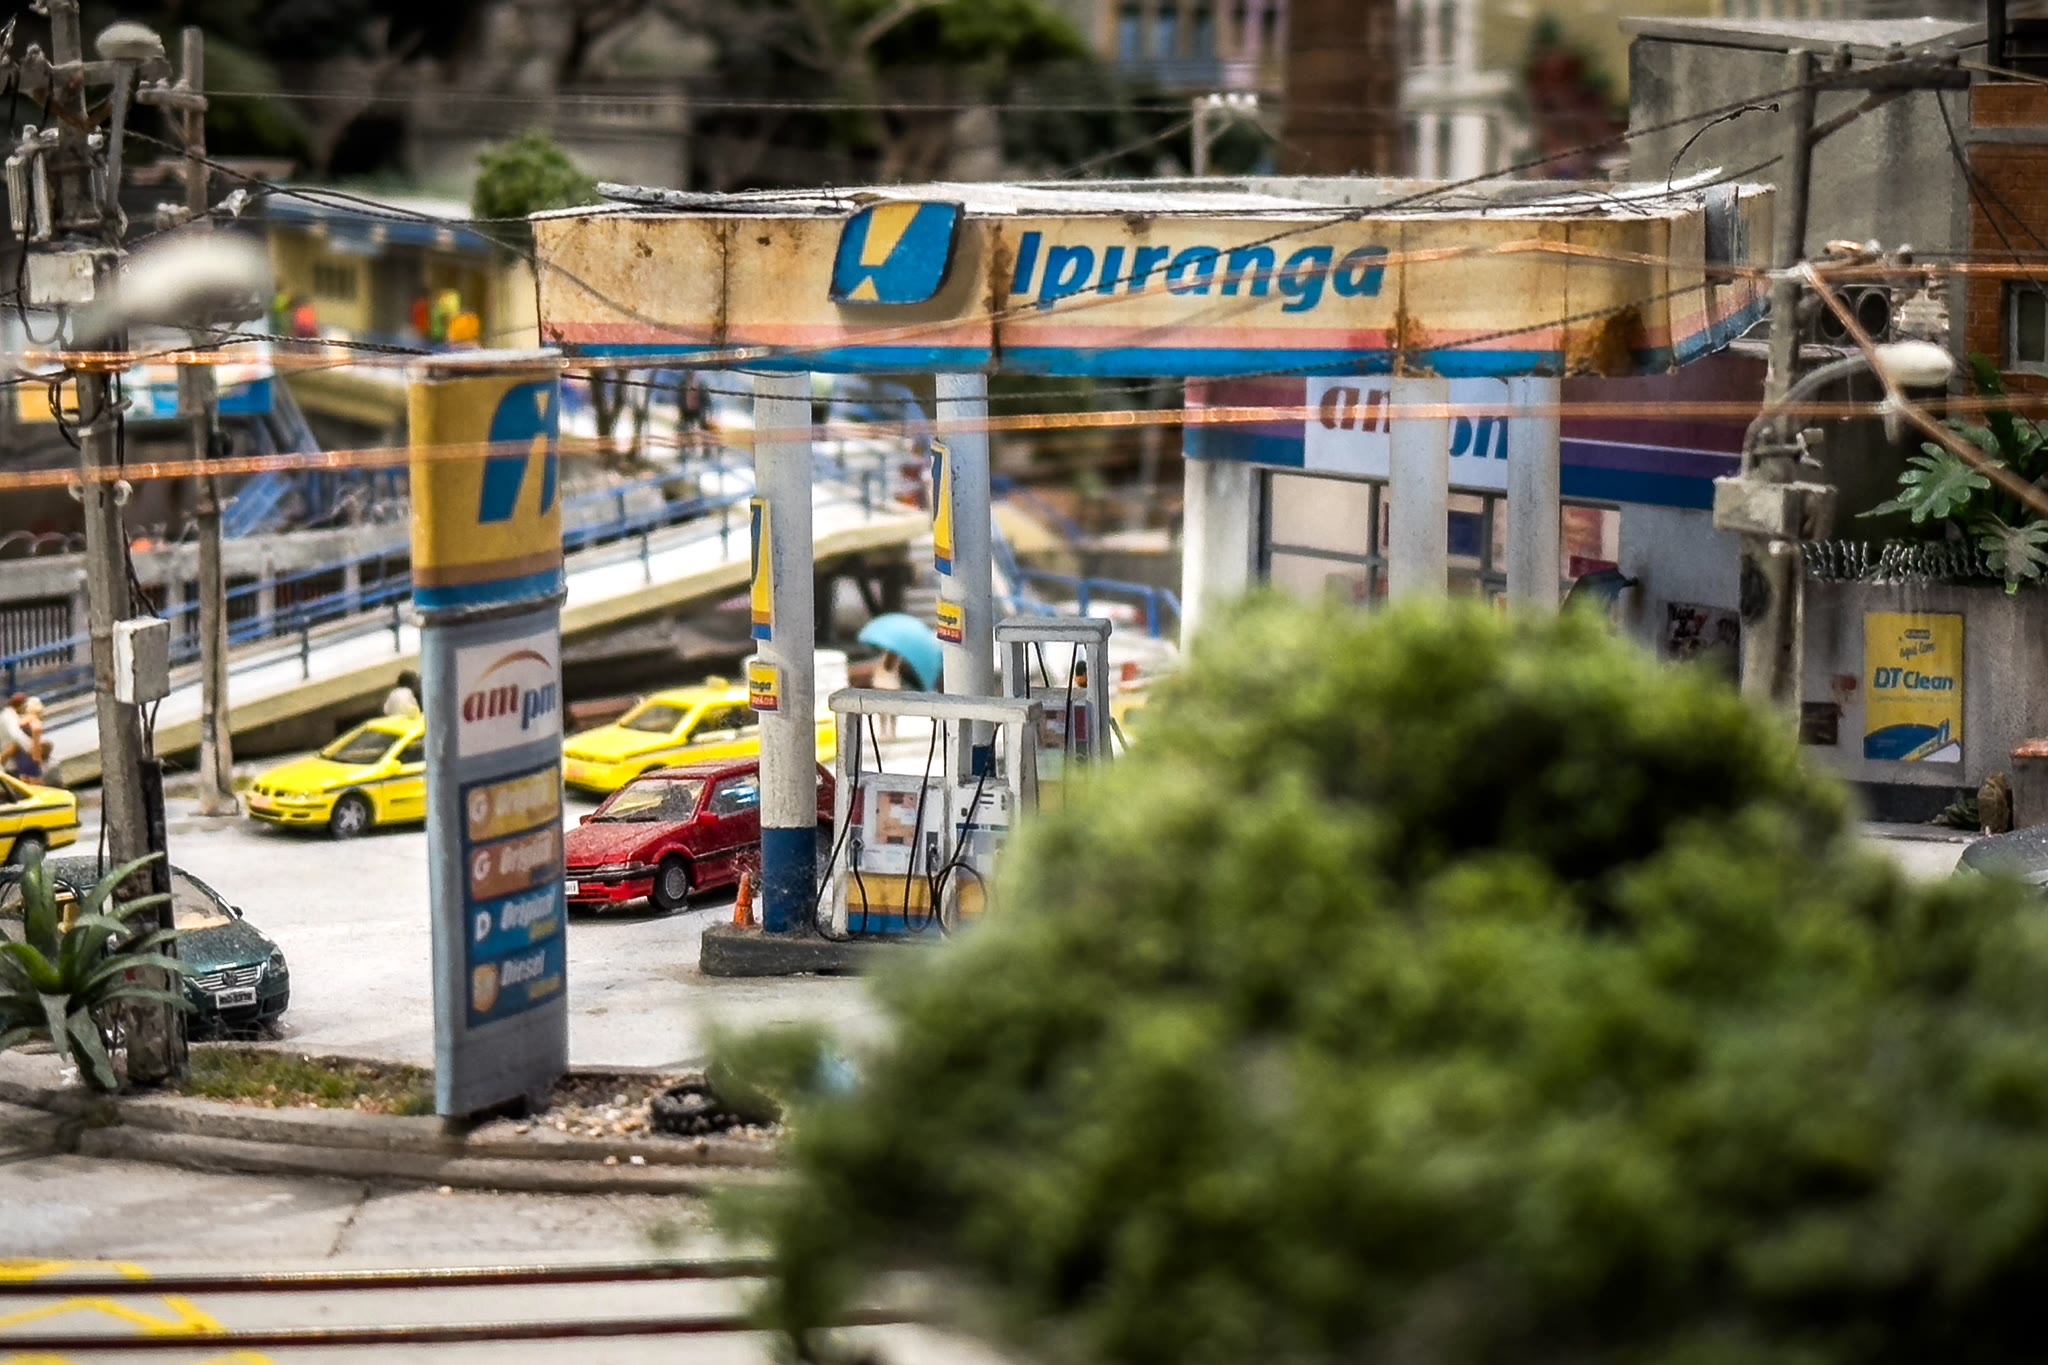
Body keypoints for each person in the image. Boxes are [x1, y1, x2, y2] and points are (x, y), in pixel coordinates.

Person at [871, 651, 903, 741]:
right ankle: (892, 733)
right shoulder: (896, 663)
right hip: (893, 689)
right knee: (893, 714)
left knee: (883, 713)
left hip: (882, 689)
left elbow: (876, 678)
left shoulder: (880, 663)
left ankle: (883, 733)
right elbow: (896, 678)